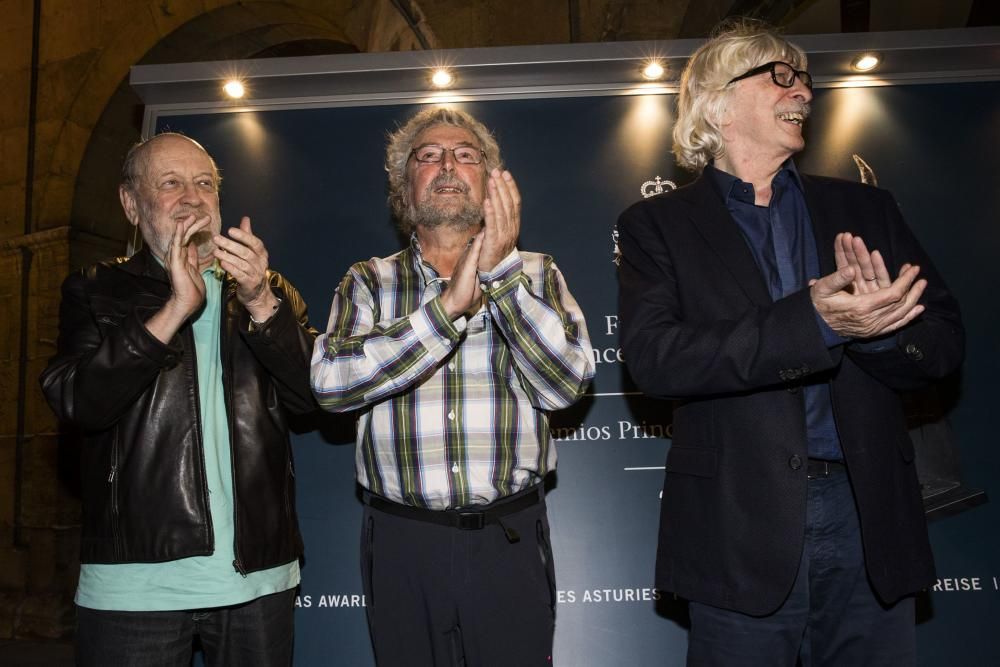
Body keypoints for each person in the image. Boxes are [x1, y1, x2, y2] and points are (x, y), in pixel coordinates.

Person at [616, 20, 964, 666]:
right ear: (718, 104)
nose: (803, 88)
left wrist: (876, 330)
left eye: (805, 77)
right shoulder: (656, 227)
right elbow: (658, 358)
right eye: (780, 75)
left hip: (869, 523)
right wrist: (818, 322)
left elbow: (944, 342)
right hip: (737, 527)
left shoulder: (868, 209)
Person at [311, 107, 595, 666]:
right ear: (403, 185)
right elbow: (330, 385)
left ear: (490, 182)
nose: (447, 165)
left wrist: (501, 278)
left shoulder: (537, 273)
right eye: (429, 156)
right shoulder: (367, 280)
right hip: (401, 541)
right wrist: (445, 313)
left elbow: (567, 386)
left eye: (466, 155)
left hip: (508, 538)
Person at [40, 132, 317, 667]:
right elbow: (78, 403)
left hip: (257, 580)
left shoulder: (266, 291)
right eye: (170, 183)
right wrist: (171, 311)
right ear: (131, 203)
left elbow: (314, 398)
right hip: (135, 586)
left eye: (205, 184)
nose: (193, 197)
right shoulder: (96, 290)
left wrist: (261, 301)